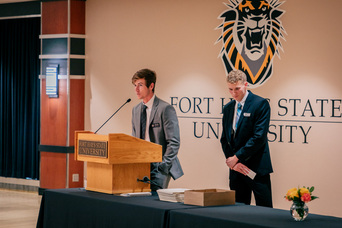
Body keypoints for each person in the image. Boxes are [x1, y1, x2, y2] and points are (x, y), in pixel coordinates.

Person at [220, 69, 273, 207]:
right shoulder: (228, 108)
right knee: (238, 212)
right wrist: (234, 163)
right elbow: (224, 139)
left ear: (246, 84)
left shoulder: (260, 104)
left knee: (265, 210)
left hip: (256, 168)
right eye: (230, 89)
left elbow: (259, 137)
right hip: (237, 170)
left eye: (237, 88)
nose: (233, 93)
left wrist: (237, 157)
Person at [131, 68, 184, 191]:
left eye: (140, 85)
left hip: (159, 165)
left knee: (155, 201)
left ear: (151, 86)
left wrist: (163, 166)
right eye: (135, 85)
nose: (136, 89)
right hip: (141, 164)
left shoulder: (165, 109)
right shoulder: (136, 110)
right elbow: (134, 139)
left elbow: (174, 141)